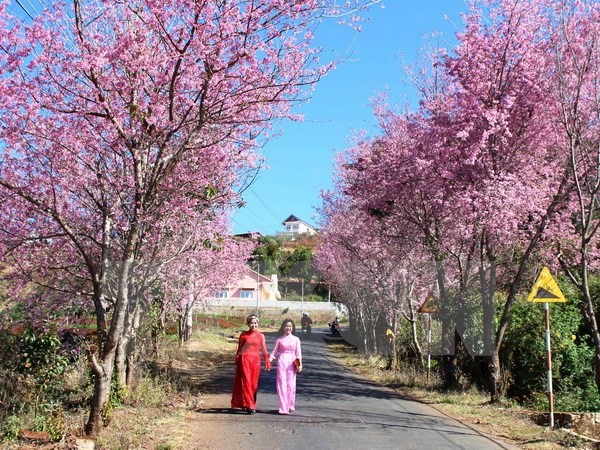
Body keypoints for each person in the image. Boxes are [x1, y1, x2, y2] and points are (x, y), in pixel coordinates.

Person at [231, 314, 271, 414]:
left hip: (255, 362)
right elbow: (239, 349)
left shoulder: (261, 336)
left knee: (253, 384)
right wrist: (236, 362)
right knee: (246, 383)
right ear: (248, 324)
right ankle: (250, 405)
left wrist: (267, 362)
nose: (254, 325)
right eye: (252, 323)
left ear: (258, 324)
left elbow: (264, 350)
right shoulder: (243, 335)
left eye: (255, 323)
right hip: (244, 360)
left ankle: (249, 403)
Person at [269, 319, 302, 415]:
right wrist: (269, 360)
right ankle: (283, 408)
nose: (288, 328)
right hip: (282, 362)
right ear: (283, 327)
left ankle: (290, 405)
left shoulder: (296, 339)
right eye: (287, 326)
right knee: (282, 385)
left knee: (291, 385)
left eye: (290, 326)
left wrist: (299, 365)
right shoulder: (279, 339)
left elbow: (298, 353)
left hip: (292, 363)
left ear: (293, 328)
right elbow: (274, 352)